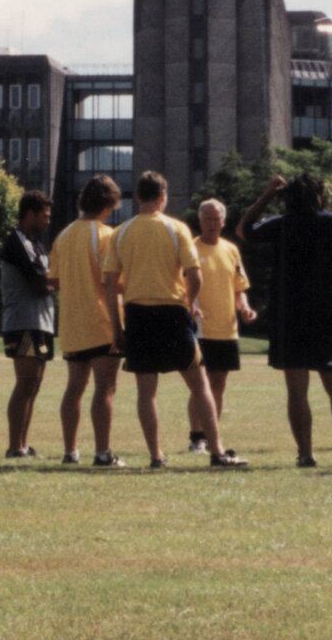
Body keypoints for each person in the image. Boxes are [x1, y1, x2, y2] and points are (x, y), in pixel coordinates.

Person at [237, 173, 332, 467]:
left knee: (296, 390)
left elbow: (244, 229)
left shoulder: (281, 225)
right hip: (325, 315)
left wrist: (268, 195)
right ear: (320, 196)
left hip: (286, 317)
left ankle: (305, 455)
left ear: (288, 198)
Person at [100, 171, 244, 468]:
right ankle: (217, 452)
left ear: (137, 197)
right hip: (173, 314)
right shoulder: (177, 229)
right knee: (200, 384)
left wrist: (117, 328)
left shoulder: (120, 233)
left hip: (138, 315)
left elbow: (109, 284)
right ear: (163, 197)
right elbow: (195, 275)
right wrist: (189, 304)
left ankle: (156, 456)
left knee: (146, 391)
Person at [53, 175, 125, 466]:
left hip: (72, 323)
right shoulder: (107, 236)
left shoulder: (65, 235)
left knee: (74, 387)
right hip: (102, 321)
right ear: (108, 204)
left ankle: (70, 451)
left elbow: (54, 279)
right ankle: (103, 452)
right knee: (105, 387)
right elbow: (114, 282)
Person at [187, 198, 256, 454]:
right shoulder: (190, 248)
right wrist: (188, 305)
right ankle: (197, 437)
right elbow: (181, 285)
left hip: (228, 328)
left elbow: (240, 287)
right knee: (200, 383)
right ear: (200, 220)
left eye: (217, 219)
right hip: (200, 328)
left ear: (224, 221)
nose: (213, 224)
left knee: (219, 383)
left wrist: (245, 308)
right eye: (208, 219)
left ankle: (211, 432)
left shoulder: (231, 250)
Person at [0, 190, 55, 460]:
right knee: (25, 383)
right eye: (44, 216)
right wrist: (66, 279)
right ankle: (14, 446)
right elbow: (39, 285)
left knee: (34, 385)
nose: (47, 221)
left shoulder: (37, 243)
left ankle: (23, 443)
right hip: (23, 322)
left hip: (40, 322)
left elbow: (47, 280)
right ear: (30, 214)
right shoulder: (17, 242)